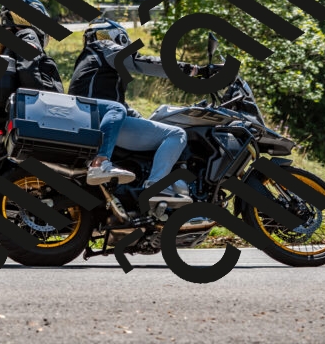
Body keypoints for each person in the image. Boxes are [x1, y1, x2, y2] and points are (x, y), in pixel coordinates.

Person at [68, 18, 215, 206]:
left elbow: (116, 104)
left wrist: (145, 121)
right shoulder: (104, 47)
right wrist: (191, 70)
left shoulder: (90, 60)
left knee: (140, 120)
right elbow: (140, 61)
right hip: (99, 120)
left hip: (90, 120)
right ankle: (156, 186)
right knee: (176, 134)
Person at [0, 0, 134, 185]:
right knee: (115, 109)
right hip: (41, 110)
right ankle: (101, 164)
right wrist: (46, 100)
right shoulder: (28, 35)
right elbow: (29, 69)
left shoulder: (7, 46)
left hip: (24, 112)